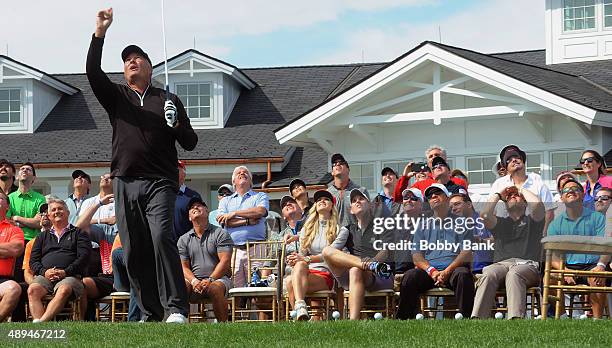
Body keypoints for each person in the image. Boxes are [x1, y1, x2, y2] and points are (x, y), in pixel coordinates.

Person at [87, 8, 198, 323]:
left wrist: (175, 124)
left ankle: (176, 308)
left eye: (138, 58)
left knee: (162, 235)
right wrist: (100, 32)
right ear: (124, 72)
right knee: (133, 250)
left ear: (151, 67)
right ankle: (151, 312)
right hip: (125, 181)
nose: (132, 61)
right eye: (127, 60)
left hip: (160, 181)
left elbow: (190, 142)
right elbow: (92, 72)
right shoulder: (117, 97)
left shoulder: (168, 99)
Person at [396, 184, 474, 320]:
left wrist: (447, 271)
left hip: (453, 270)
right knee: (409, 276)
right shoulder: (423, 224)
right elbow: (416, 256)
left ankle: (466, 319)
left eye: (437, 193)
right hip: (430, 271)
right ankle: (405, 320)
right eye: (430, 195)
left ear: (447, 198)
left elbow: (466, 252)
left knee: (463, 275)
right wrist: (432, 271)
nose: (433, 196)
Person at [471, 186, 545, 319]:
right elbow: (485, 215)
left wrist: (521, 189)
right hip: (501, 265)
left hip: (527, 265)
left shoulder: (533, 221)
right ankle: (478, 319)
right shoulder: (501, 223)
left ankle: (515, 319)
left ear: (525, 202)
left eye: (516, 196)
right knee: (488, 273)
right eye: (509, 197)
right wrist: (499, 195)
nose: (512, 197)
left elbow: (537, 204)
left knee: (514, 273)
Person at [322, 188, 393, 320]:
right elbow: (329, 253)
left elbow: (386, 251)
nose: (357, 202)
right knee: (327, 250)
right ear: (351, 210)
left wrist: (373, 261)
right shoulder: (348, 230)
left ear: (371, 205)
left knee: (355, 270)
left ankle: (352, 322)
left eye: (361, 199)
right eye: (354, 201)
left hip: (380, 274)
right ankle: (364, 265)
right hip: (355, 272)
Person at [547, 179, 608, 319]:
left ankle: (597, 321)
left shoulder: (598, 218)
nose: (570, 191)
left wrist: (600, 266)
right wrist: (564, 270)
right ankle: (561, 318)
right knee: (549, 278)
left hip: (592, 265)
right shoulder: (555, 224)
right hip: (567, 266)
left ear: (582, 195)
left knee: (597, 277)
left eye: (575, 188)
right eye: (566, 190)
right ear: (561, 198)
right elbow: (553, 255)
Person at [286, 190, 347, 321]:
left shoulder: (340, 230)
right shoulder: (306, 230)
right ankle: (300, 310)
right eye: (319, 200)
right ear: (315, 206)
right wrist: (294, 260)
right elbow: (302, 255)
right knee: (292, 276)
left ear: (332, 206)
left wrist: (305, 259)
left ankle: (298, 313)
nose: (322, 201)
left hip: (325, 274)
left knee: (292, 280)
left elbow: (330, 254)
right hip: (305, 272)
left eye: (326, 199)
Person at [27, 199, 90, 322]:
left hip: (70, 276)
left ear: (68, 212)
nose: (57, 212)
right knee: (32, 290)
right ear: (49, 215)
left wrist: (65, 272)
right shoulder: (41, 237)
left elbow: (84, 258)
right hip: (46, 276)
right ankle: (41, 325)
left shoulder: (79, 233)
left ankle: (41, 324)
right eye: (53, 210)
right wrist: (45, 272)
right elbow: (33, 261)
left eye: (60, 209)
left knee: (64, 289)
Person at [178, 197, 233, 322]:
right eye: (192, 207)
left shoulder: (220, 233)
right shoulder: (183, 239)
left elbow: (225, 262)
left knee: (214, 288)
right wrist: (193, 281)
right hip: (194, 282)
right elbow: (183, 267)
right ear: (189, 217)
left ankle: (223, 326)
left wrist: (210, 279)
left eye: (199, 205)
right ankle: (180, 323)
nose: (195, 207)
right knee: (180, 286)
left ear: (207, 212)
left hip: (219, 279)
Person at [216, 166, 269, 287]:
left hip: (257, 248)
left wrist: (234, 213)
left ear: (250, 181)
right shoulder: (225, 201)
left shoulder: (260, 196)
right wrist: (248, 222)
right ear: (233, 182)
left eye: (245, 173)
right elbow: (223, 221)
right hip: (234, 250)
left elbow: (260, 211)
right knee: (236, 291)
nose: (242, 173)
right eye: (238, 173)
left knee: (258, 289)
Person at [490, 145, 554, 232]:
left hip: (533, 236)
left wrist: (544, 233)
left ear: (523, 161)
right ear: (506, 168)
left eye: (517, 157)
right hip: (506, 236)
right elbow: (491, 213)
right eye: (509, 160)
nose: (514, 160)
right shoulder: (498, 184)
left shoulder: (539, 184)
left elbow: (549, 212)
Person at [75, 192, 115, 320]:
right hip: (110, 278)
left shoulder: (138, 228)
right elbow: (78, 227)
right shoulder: (108, 230)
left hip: (133, 277)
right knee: (84, 283)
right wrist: (99, 204)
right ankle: (84, 324)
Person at [7, 162, 45, 286]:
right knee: (14, 278)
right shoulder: (10, 198)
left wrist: (17, 218)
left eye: (28, 170)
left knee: (30, 277)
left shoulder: (40, 198)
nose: (24, 170)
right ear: (17, 176)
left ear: (34, 178)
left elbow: (39, 222)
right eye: (22, 169)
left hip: (33, 243)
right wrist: (29, 222)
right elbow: (7, 222)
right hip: (14, 243)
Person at [449, 193, 492, 274]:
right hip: (460, 272)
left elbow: (497, 240)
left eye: (457, 204)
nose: (453, 209)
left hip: (485, 270)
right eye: (451, 207)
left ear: (469, 204)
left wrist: (480, 240)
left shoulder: (484, 219)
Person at [0, 189, 25, 322]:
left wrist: (8, 251)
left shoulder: (14, 230)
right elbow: (8, 249)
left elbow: (16, 249)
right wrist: (4, 251)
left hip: (2, 280)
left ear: (7, 206)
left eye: (0, 198)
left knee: (14, 288)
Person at [327, 154, 370, 227]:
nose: (337, 164)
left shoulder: (361, 191)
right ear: (332, 172)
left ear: (348, 169)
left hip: (355, 236)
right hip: (333, 236)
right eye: (334, 164)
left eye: (341, 163)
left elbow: (368, 216)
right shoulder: (327, 194)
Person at [174, 160, 202, 241]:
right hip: (165, 247)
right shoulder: (163, 195)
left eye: (177, 169)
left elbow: (199, 222)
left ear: (184, 174)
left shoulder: (193, 196)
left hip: (187, 245)